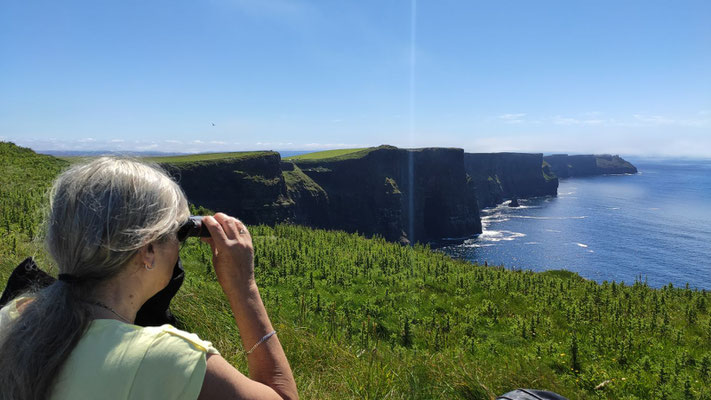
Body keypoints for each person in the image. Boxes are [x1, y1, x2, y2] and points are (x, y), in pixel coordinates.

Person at [0, 157, 298, 400]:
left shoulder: (12, 318)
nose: (180, 246)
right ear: (149, 249)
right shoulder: (167, 359)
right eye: (179, 233)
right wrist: (243, 287)